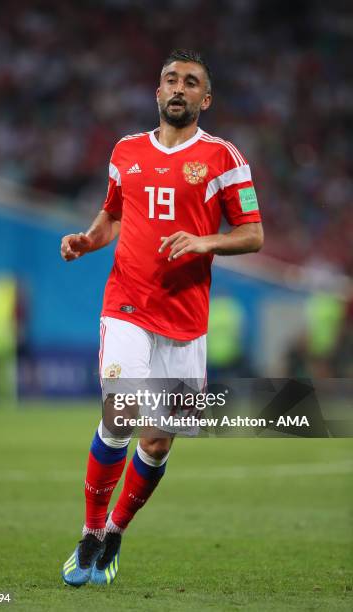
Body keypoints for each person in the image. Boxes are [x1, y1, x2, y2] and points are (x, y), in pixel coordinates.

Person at [60, 49, 263, 586]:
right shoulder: (126, 151)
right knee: (121, 413)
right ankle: (90, 529)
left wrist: (204, 240)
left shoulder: (224, 158)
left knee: (157, 441)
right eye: (170, 79)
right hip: (127, 302)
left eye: (191, 82)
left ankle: (115, 532)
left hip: (187, 318)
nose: (179, 88)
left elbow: (253, 233)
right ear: (157, 92)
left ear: (205, 98)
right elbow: (112, 216)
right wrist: (88, 240)